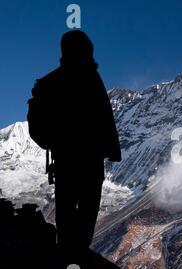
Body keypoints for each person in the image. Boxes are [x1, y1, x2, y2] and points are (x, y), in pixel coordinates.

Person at [29, 30, 121, 252]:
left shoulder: (49, 83)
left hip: (64, 161)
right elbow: (106, 118)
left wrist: (56, 142)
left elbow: (38, 126)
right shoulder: (92, 79)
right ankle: (76, 263)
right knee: (86, 216)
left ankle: (68, 263)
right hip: (89, 161)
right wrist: (109, 149)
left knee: (67, 219)